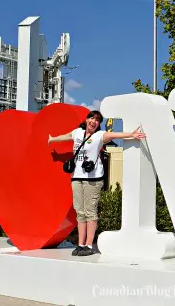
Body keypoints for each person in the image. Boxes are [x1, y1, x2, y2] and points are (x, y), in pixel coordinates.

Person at [47, 110, 145, 257]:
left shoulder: (100, 135)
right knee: (80, 212)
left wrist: (131, 134)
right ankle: (80, 244)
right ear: (86, 120)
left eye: (97, 120)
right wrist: (53, 139)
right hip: (76, 177)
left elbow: (115, 135)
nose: (93, 121)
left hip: (93, 179)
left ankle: (89, 245)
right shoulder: (77, 133)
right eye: (91, 118)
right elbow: (66, 136)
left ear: (99, 124)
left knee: (90, 211)